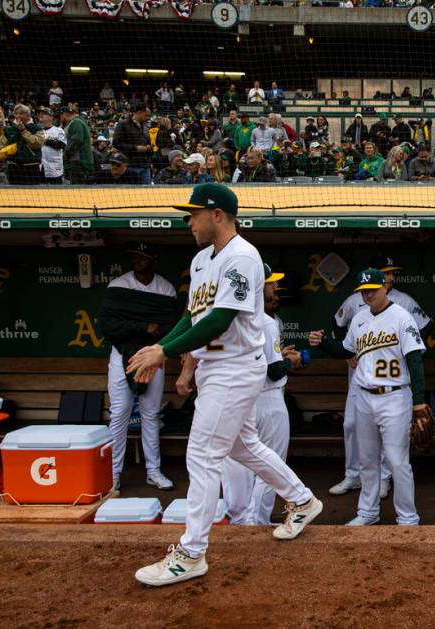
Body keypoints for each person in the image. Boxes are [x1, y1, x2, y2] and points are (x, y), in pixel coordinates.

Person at [130, 183, 323, 587]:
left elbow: (221, 321)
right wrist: (161, 345)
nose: (189, 221)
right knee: (243, 445)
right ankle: (303, 500)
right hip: (215, 368)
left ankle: (191, 553)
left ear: (217, 214)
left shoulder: (243, 257)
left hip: (236, 367)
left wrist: (162, 355)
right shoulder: (202, 259)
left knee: (202, 455)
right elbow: (195, 317)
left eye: (194, 214)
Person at [308, 268, 429, 526]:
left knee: (397, 462)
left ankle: (408, 517)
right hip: (364, 396)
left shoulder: (401, 317)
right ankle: (368, 513)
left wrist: (418, 401)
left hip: (395, 396)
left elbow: (415, 360)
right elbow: (345, 349)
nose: (368, 294)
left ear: (385, 287)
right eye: (363, 291)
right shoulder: (360, 318)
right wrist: (323, 344)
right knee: (366, 460)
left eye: (372, 289)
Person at [218, 263, 303, 525]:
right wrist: (293, 361)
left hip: (238, 397)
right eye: (270, 282)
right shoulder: (265, 321)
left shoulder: (229, 316)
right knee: (271, 463)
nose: (275, 287)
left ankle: (241, 518)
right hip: (268, 399)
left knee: (236, 462)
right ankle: (257, 521)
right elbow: (274, 371)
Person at [99, 243, 180, 492]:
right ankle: (112, 473)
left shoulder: (165, 288)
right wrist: (142, 327)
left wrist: (150, 332)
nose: (137, 260)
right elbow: (109, 324)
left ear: (153, 259)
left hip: (153, 357)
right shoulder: (118, 286)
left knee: (150, 414)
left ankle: (153, 471)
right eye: (134, 256)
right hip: (122, 354)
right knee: (120, 412)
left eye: (142, 256)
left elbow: (169, 326)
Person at [3, 104, 44, 185]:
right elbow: (2, 145)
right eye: (16, 114)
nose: (18, 116)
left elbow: (37, 144)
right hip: (13, 168)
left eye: (21, 113)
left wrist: (23, 130)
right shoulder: (9, 130)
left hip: (31, 167)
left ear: (28, 116)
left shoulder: (36, 128)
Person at [112, 103, 153, 184]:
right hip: (130, 166)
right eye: (146, 115)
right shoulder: (123, 124)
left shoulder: (147, 126)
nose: (148, 118)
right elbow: (116, 143)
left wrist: (149, 148)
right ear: (138, 113)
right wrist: (136, 148)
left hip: (145, 166)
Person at [60, 109, 94, 184]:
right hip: (77, 162)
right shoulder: (75, 122)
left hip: (79, 163)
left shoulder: (76, 122)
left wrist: (66, 154)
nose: (60, 120)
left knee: (78, 188)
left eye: (61, 117)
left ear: (64, 115)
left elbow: (76, 141)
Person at [37, 108, 66, 184]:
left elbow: (62, 145)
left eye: (44, 113)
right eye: (40, 113)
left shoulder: (58, 130)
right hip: (41, 167)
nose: (41, 115)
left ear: (51, 117)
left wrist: (45, 140)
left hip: (54, 167)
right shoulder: (37, 130)